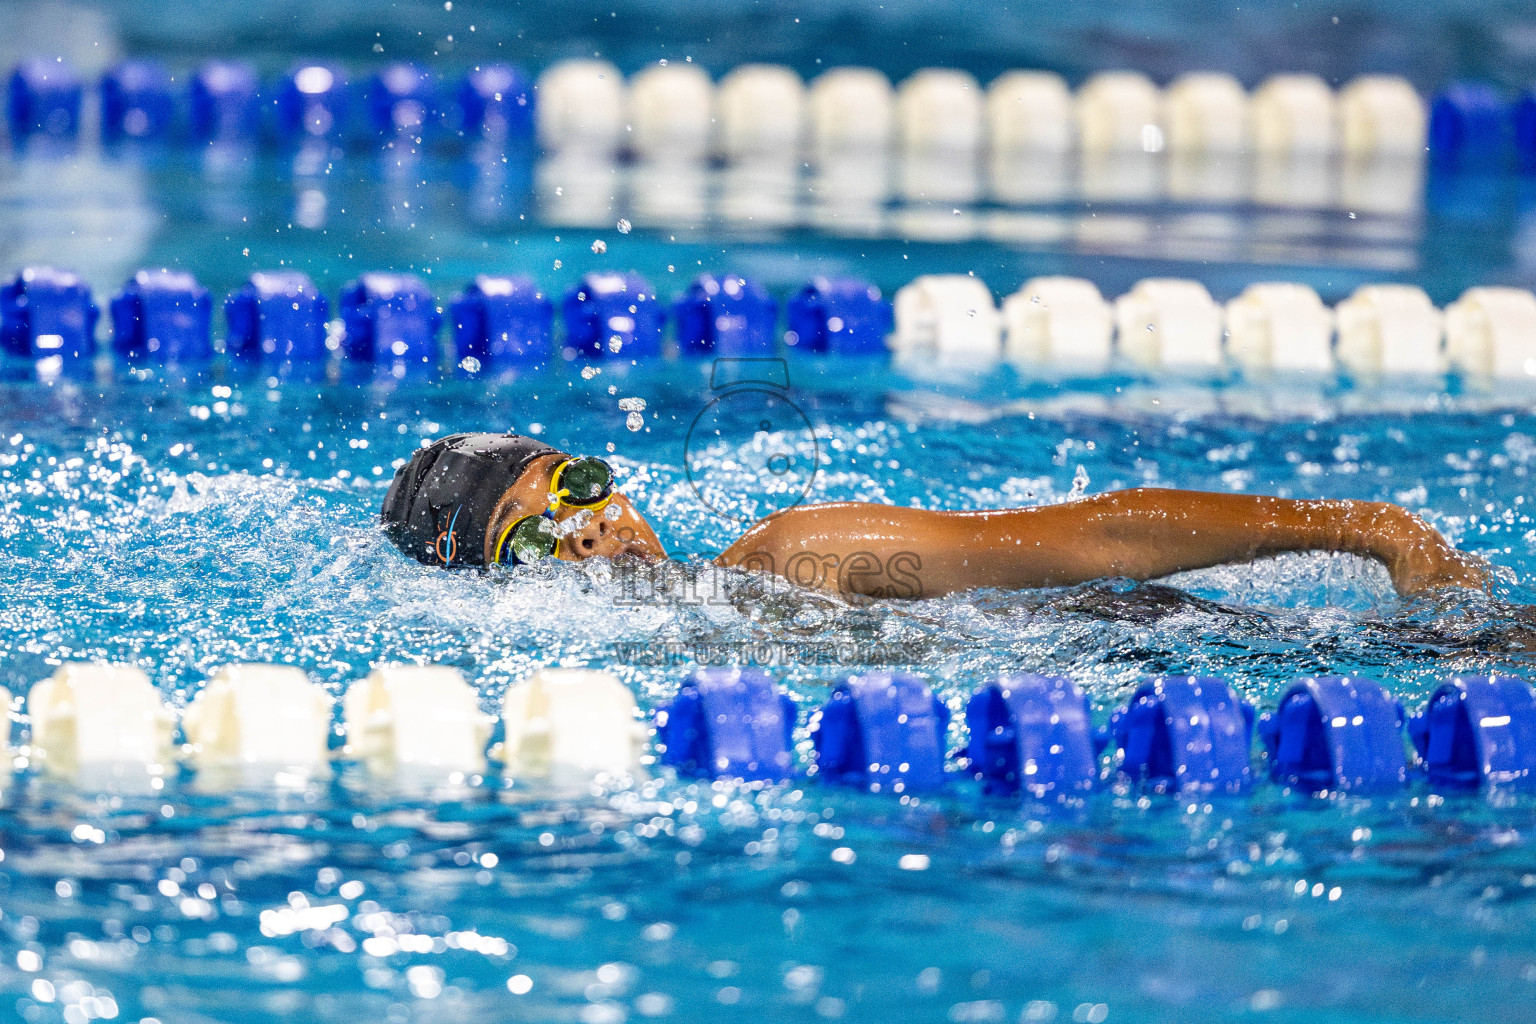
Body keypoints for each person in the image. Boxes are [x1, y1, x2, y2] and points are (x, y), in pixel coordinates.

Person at [381, 432, 1488, 601]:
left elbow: (1092, 535)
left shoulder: (794, 559)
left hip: (1149, 642)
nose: (591, 527)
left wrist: (1364, 524)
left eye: (577, 484)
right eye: (532, 536)